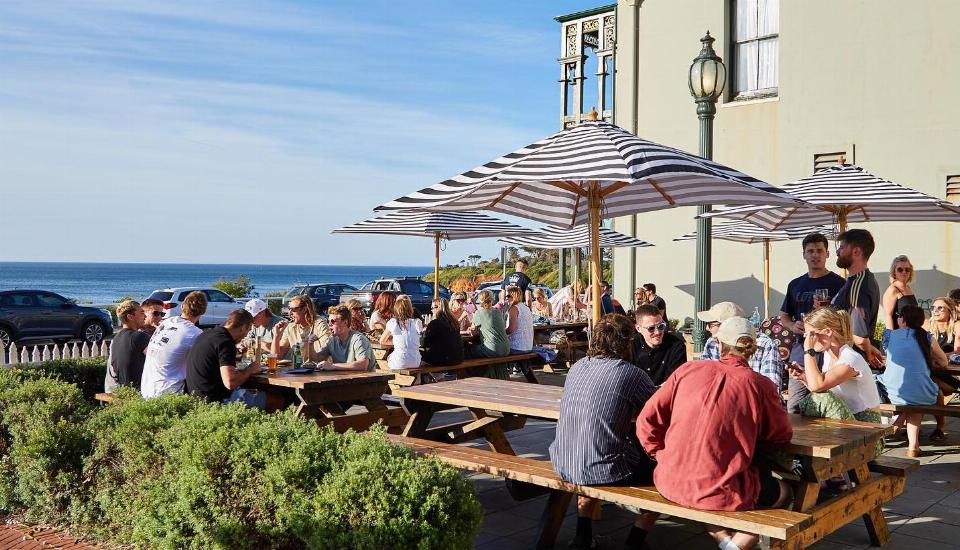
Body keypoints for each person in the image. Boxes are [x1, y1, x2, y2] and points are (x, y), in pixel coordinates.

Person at [637, 317, 793, 550]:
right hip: (717, 489)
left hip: (667, 479)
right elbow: (781, 434)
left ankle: (721, 539)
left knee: (713, 481)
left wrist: (659, 453)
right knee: (786, 492)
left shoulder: (688, 370)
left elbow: (647, 419)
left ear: (719, 344)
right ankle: (734, 546)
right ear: (752, 349)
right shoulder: (760, 384)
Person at [550, 314, 659, 550]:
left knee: (591, 447)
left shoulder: (577, 367)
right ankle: (636, 539)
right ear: (626, 343)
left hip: (562, 461)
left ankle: (582, 535)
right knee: (664, 474)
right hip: (601, 468)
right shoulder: (630, 374)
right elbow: (659, 413)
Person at [778, 232, 847, 412]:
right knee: (795, 407)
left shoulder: (839, 283)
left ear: (827, 254)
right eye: (810, 251)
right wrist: (793, 325)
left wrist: (824, 312)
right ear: (804, 255)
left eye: (819, 251)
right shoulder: (795, 284)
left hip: (829, 353)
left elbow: (844, 319)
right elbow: (783, 316)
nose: (815, 255)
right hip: (801, 352)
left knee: (829, 406)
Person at [786, 307, 882, 425]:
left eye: (811, 335)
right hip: (849, 419)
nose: (807, 339)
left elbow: (818, 386)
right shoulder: (828, 356)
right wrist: (803, 377)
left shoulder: (850, 358)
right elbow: (820, 388)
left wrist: (808, 350)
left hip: (867, 426)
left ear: (828, 332)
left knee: (822, 399)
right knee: (817, 397)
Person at [880, 305, 947, 456]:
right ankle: (913, 446)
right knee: (921, 394)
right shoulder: (927, 337)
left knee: (910, 397)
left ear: (903, 319)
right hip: (920, 393)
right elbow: (944, 362)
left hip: (893, 391)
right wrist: (931, 360)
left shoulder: (889, 335)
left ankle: (900, 431)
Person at [185, 309, 279, 410]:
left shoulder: (206, 334)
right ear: (243, 328)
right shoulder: (225, 341)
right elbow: (230, 382)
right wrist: (251, 369)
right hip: (216, 400)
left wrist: (238, 354)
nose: (246, 335)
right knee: (276, 400)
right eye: (248, 330)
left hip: (196, 397)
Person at [701, 302, 784, 392]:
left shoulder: (765, 345)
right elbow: (704, 381)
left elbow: (772, 389)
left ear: (726, 325)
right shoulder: (711, 343)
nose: (707, 328)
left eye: (710, 324)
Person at [830, 229, 884, 368]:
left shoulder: (858, 285)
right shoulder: (856, 281)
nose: (838, 252)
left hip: (847, 362)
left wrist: (867, 349)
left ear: (856, 252)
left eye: (842, 247)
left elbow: (859, 336)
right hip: (846, 360)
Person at [140, 291, 207, 398]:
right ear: (203, 311)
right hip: (168, 394)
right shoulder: (195, 333)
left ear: (182, 306)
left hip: (147, 388)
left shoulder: (168, 322)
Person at [924, 296, 960, 440]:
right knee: (935, 390)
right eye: (933, 308)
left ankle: (938, 428)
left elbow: (958, 351)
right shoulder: (927, 325)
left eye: (940, 308)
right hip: (932, 372)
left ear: (950, 311)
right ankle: (938, 428)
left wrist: (939, 356)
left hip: (950, 376)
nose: (935, 311)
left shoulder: (957, 325)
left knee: (930, 384)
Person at [632, 304, 687, 386]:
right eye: (651, 328)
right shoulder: (631, 346)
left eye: (661, 326)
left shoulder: (676, 346)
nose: (657, 332)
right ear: (638, 329)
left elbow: (676, 381)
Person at [105, 299, 150, 392]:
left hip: (122, 390)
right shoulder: (139, 337)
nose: (145, 316)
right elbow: (158, 359)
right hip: (139, 390)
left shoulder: (117, 338)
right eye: (142, 313)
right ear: (130, 317)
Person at [316, 305, 376, 371]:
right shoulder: (332, 340)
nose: (329, 324)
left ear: (345, 322)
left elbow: (363, 365)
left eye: (333, 321)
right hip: (344, 378)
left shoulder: (358, 339)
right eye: (328, 321)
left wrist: (333, 366)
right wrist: (310, 344)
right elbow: (318, 358)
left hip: (366, 380)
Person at [272, 295, 330, 363]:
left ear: (304, 309)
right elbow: (276, 356)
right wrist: (276, 336)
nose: (289, 313)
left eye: (293, 310)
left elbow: (325, 353)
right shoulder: (290, 327)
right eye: (289, 309)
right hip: (299, 369)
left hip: (318, 369)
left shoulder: (319, 323)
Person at [468, 289, 510, 378]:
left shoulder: (479, 313)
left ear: (480, 300)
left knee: (468, 350)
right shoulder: (497, 311)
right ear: (492, 299)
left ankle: (477, 377)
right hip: (506, 348)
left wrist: (470, 329)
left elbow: (473, 332)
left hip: (492, 349)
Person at [380, 294, 423, 370]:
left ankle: (390, 381)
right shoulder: (417, 322)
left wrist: (397, 342)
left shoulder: (393, 323)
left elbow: (382, 341)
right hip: (415, 361)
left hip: (399, 361)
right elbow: (419, 339)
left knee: (385, 360)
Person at [422, 298, 464, 366]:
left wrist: (425, 333)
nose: (431, 310)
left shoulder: (435, 323)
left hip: (443, 359)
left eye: (432, 308)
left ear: (438, 308)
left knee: (417, 355)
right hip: (458, 359)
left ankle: (422, 376)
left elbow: (426, 343)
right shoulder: (454, 322)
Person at [881, 255, 918, 329]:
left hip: (911, 334)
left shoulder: (908, 288)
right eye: (900, 269)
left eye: (907, 269)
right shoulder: (892, 290)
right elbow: (888, 316)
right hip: (899, 334)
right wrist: (892, 337)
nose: (904, 272)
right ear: (894, 272)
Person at [504, 286, 534, 353]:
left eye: (508, 296)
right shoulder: (526, 308)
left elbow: (511, 329)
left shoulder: (514, 308)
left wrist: (501, 332)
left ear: (513, 297)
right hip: (528, 346)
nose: (506, 299)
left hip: (517, 347)